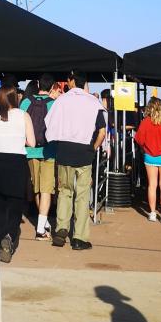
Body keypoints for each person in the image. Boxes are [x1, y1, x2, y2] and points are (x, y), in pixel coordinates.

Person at [44, 72, 106, 250]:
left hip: (64, 150)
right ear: (85, 83)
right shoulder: (93, 102)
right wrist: (93, 148)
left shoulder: (62, 100)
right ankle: (79, 238)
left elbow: (50, 123)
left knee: (64, 191)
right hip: (84, 151)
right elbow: (102, 132)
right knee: (82, 195)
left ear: (71, 81)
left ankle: (62, 228)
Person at [0, 86, 35, 262]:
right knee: (15, 203)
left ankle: (1, 236)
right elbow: (32, 143)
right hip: (16, 161)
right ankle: (10, 236)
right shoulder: (23, 115)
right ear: (15, 98)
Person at [25, 78, 62, 239]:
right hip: (49, 151)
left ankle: (43, 222)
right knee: (47, 189)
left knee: (37, 187)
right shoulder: (53, 104)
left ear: (39, 85)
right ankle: (41, 228)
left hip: (30, 150)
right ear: (53, 87)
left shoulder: (26, 102)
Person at [134, 97, 161, 223]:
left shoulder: (145, 122)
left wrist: (145, 148)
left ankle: (152, 213)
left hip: (149, 155)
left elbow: (139, 139)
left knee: (152, 185)